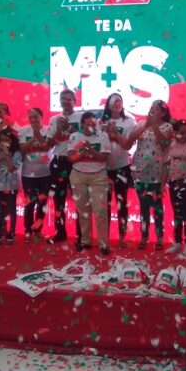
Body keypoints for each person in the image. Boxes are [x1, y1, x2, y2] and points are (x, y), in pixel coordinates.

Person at [127, 100, 174, 250]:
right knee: (143, 206)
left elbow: (164, 143)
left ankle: (159, 237)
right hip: (140, 171)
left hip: (157, 172)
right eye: (151, 108)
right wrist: (146, 124)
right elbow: (130, 139)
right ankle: (144, 236)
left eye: (156, 109)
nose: (152, 110)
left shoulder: (168, 126)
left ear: (163, 112)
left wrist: (154, 125)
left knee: (157, 206)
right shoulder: (142, 124)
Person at [68, 111, 111, 255]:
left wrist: (91, 150)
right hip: (78, 176)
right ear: (81, 124)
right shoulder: (75, 136)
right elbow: (71, 158)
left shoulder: (103, 136)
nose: (90, 127)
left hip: (98, 177)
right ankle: (86, 241)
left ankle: (103, 243)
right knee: (83, 211)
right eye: (87, 124)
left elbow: (104, 158)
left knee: (100, 212)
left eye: (93, 124)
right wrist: (82, 152)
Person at [47, 89, 83, 243]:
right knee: (58, 199)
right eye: (63, 99)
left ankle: (81, 235)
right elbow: (49, 144)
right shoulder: (54, 119)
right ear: (60, 101)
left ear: (74, 101)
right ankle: (60, 232)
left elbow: (85, 138)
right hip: (58, 161)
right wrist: (59, 130)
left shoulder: (81, 117)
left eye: (69, 99)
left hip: (76, 161)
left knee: (79, 199)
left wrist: (69, 128)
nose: (66, 102)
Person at [101, 93, 136, 247]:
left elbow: (128, 145)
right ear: (109, 105)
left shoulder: (128, 121)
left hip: (122, 167)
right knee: (105, 204)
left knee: (121, 202)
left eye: (120, 101)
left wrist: (115, 133)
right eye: (115, 101)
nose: (118, 104)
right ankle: (105, 238)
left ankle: (122, 237)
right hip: (104, 168)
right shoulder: (101, 121)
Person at [165, 119, 186, 256]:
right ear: (175, 132)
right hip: (173, 182)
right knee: (176, 212)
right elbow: (167, 164)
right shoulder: (171, 144)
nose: (184, 135)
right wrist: (164, 183)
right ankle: (177, 242)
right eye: (181, 133)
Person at [19, 108, 51, 242]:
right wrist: (34, 137)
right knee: (29, 204)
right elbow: (22, 149)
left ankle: (38, 231)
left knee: (42, 204)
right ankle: (28, 231)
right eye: (31, 117)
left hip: (46, 173)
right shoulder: (23, 130)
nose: (33, 120)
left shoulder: (48, 130)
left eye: (36, 117)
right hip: (28, 174)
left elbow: (47, 148)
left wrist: (39, 134)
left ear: (41, 117)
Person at [0, 128, 22, 245]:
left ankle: (11, 233)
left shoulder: (17, 153)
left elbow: (11, 168)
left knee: (11, 210)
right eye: (2, 140)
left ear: (12, 141)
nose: (4, 143)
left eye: (7, 140)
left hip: (11, 186)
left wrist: (7, 153)